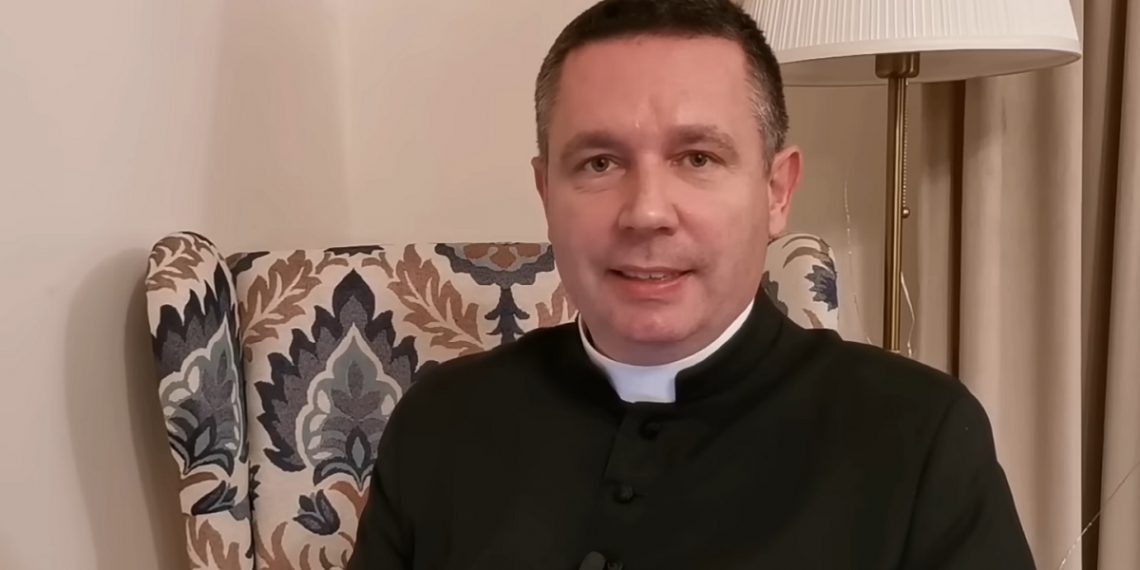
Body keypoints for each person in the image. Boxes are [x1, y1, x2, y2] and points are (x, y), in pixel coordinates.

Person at [347, 0, 1034, 568]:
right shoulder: (442, 423)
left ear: (777, 191)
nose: (647, 212)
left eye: (698, 158)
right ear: (545, 191)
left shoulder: (918, 437)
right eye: (599, 162)